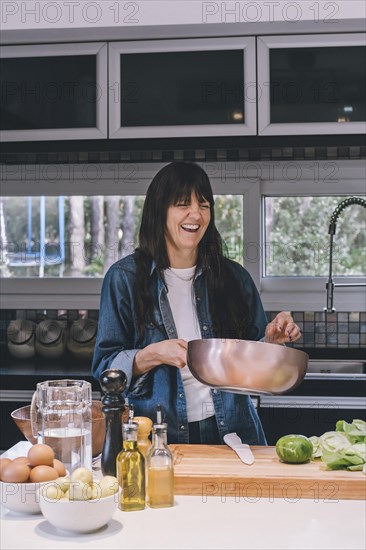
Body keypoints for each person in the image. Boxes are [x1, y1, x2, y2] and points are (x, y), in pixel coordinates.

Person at [92, 161, 301, 445]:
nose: (196, 214)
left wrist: (273, 341)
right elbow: (106, 370)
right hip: (156, 434)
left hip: (234, 432)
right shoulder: (124, 279)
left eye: (204, 205)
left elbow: (259, 368)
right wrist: (154, 354)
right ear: (159, 211)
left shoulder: (234, 277)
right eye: (182, 204)